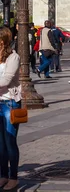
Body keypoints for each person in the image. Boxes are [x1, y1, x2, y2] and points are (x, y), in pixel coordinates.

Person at [0, 26, 21, 191]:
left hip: (10, 103)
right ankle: (3, 175)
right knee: (0, 144)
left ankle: (13, 177)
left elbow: (6, 80)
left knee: (10, 142)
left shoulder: (13, 57)